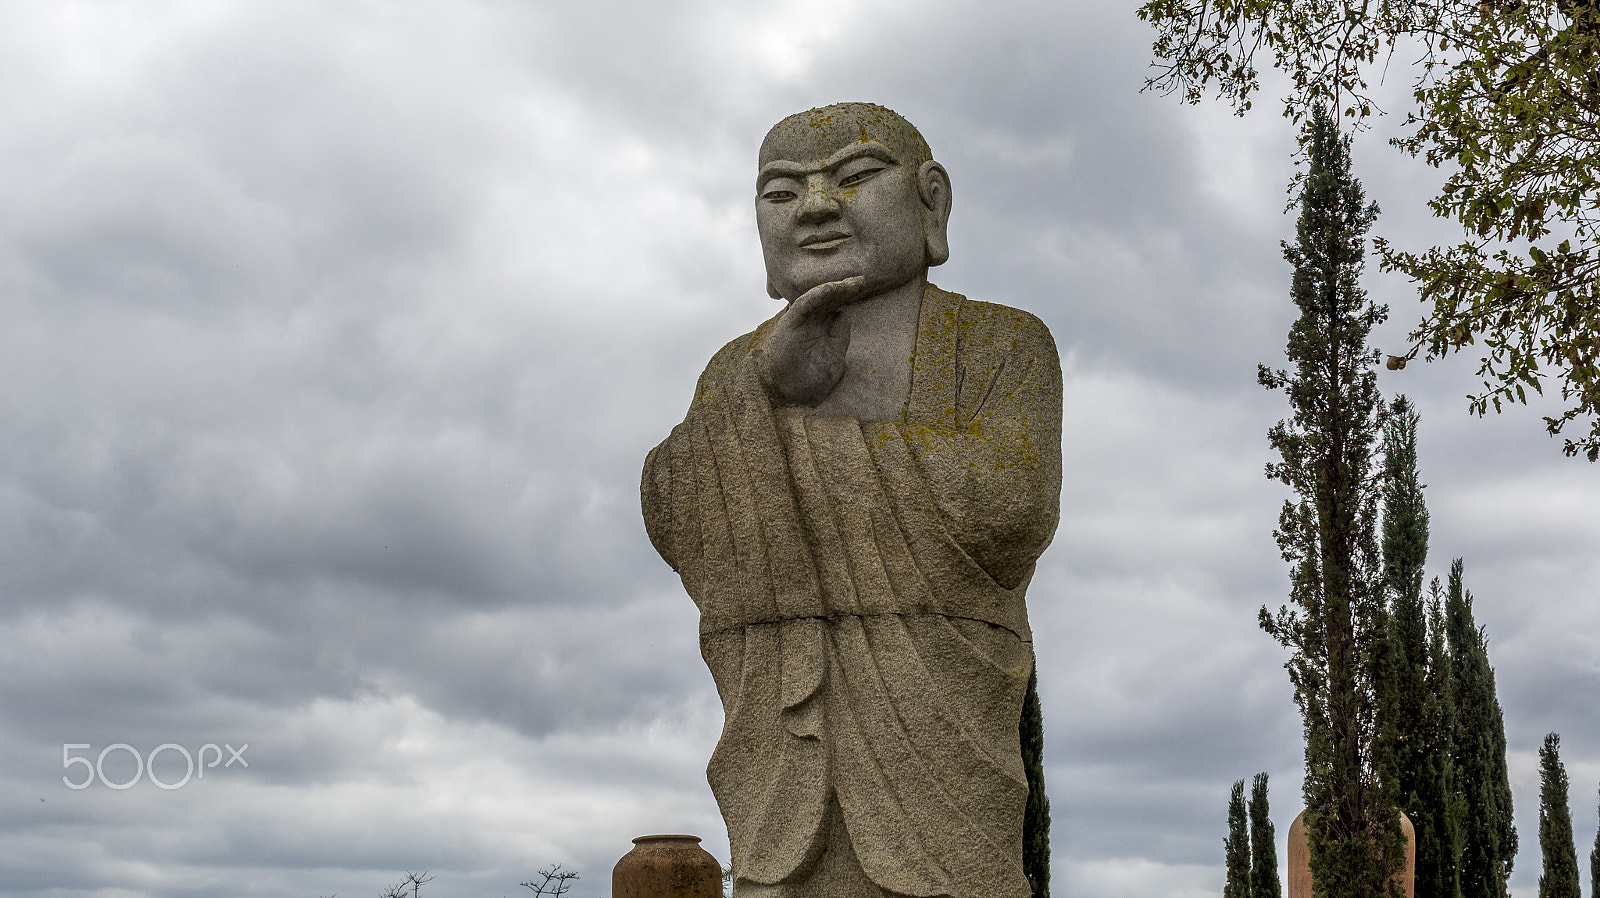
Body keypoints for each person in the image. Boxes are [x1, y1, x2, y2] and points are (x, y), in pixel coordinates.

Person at [641, 103, 1062, 898]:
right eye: (781, 191)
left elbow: (1011, 504)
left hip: (938, 753)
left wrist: (796, 446)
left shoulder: (1001, 344)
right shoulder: (739, 371)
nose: (817, 206)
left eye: (856, 176)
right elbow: (673, 508)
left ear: (931, 201)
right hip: (780, 763)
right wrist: (764, 387)